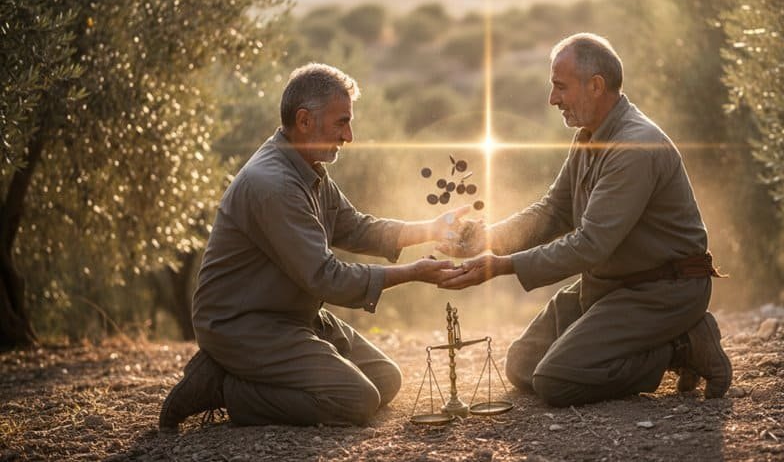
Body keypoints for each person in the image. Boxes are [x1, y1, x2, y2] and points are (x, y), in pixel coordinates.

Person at [159, 63, 465, 430]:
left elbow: (355, 228)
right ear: (304, 121)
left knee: (385, 378)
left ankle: (250, 374)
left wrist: (431, 228)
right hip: (244, 324)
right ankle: (221, 386)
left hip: (292, 316)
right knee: (356, 400)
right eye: (341, 122)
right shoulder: (274, 185)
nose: (349, 135)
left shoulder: (309, 166)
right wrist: (413, 273)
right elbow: (325, 277)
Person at [439, 33, 732, 407]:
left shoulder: (634, 146)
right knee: (522, 364)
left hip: (661, 290)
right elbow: (553, 211)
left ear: (596, 86)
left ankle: (683, 346)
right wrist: (484, 241)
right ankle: (666, 343)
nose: (552, 99)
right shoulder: (588, 137)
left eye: (560, 87)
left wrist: (503, 266)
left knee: (555, 381)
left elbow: (591, 245)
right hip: (610, 287)